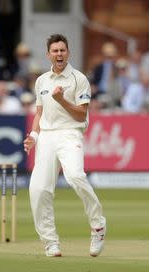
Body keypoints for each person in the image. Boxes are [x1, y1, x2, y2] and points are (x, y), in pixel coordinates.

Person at [23, 34, 106, 257]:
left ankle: (98, 226)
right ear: (48, 54)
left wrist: (62, 100)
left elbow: (81, 115)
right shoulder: (41, 81)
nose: (59, 54)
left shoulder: (79, 79)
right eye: (55, 51)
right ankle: (50, 241)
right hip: (47, 136)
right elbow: (39, 112)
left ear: (68, 53)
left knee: (76, 176)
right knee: (38, 189)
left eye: (62, 50)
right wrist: (33, 135)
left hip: (70, 133)